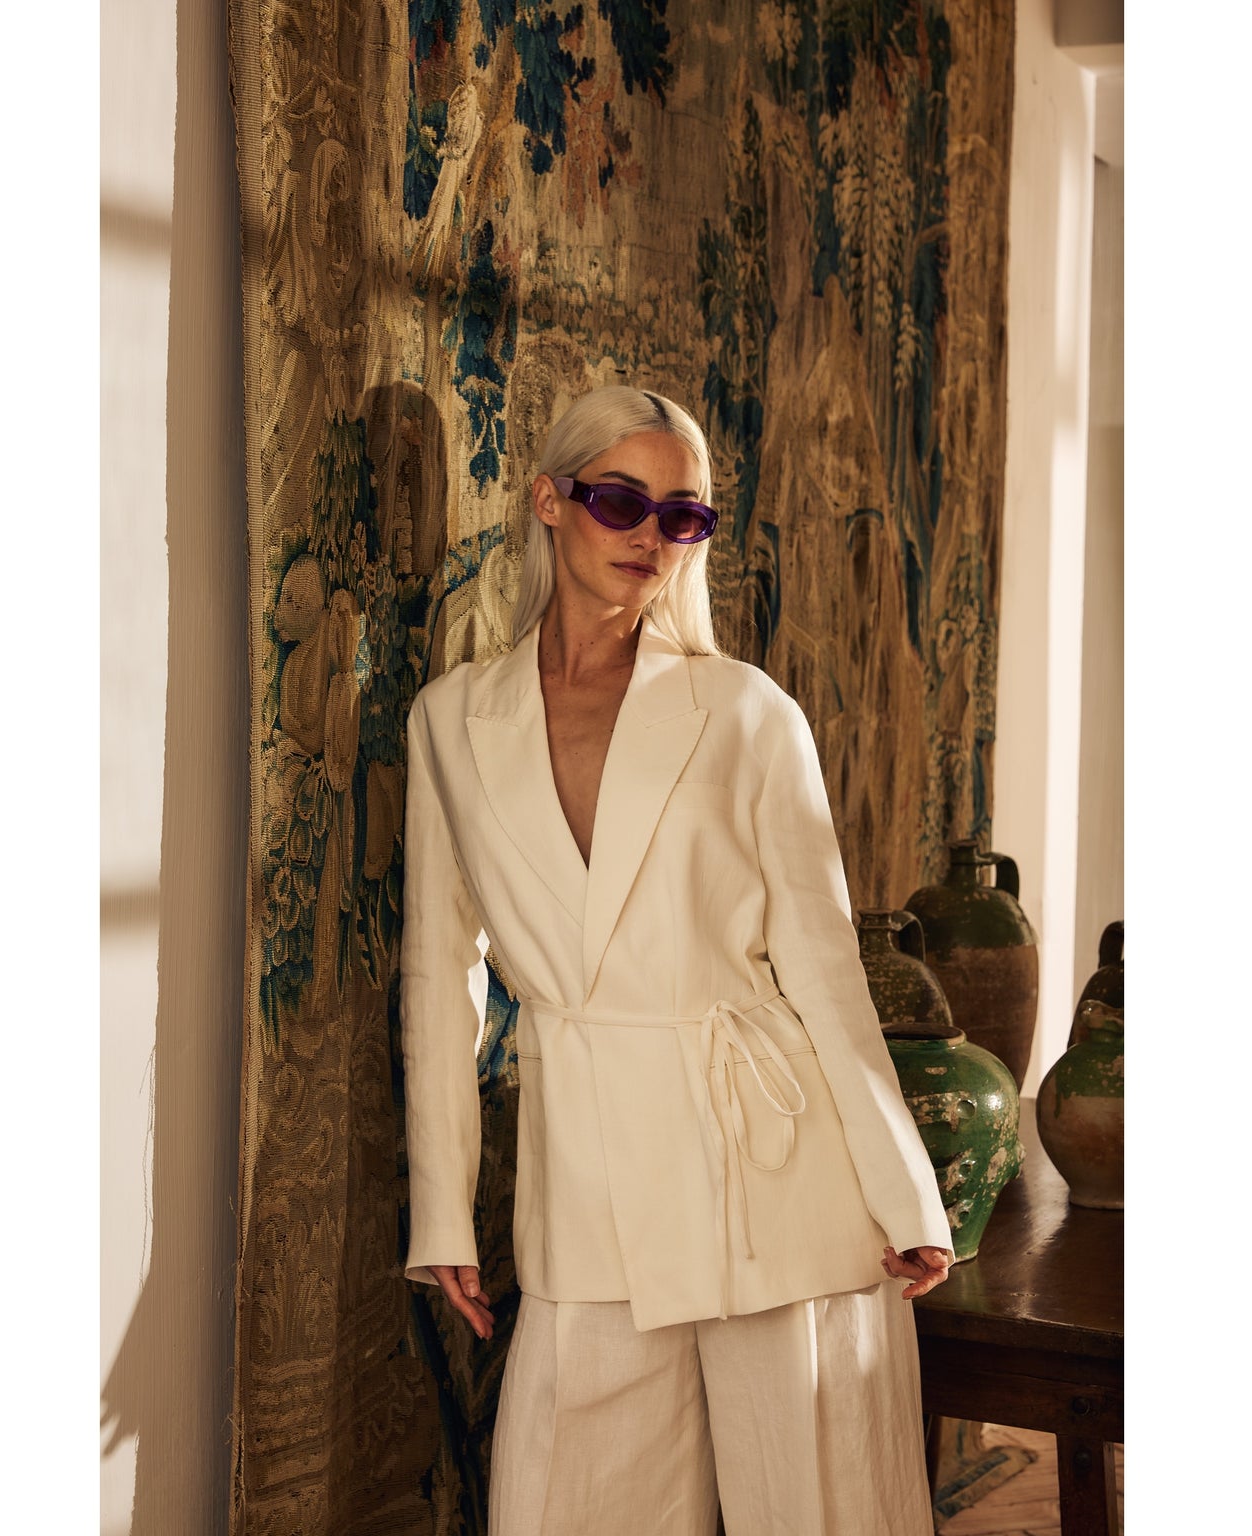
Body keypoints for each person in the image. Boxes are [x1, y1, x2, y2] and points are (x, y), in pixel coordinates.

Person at [400, 384, 954, 1535]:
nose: (650, 535)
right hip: (587, 1172)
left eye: (684, 516)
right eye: (620, 501)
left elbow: (823, 969)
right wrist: (441, 1210)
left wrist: (901, 1190)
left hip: (772, 1161)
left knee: (818, 1507)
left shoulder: (746, 712)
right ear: (548, 501)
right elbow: (439, 977)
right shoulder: (449, 722)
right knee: (567, 1505)